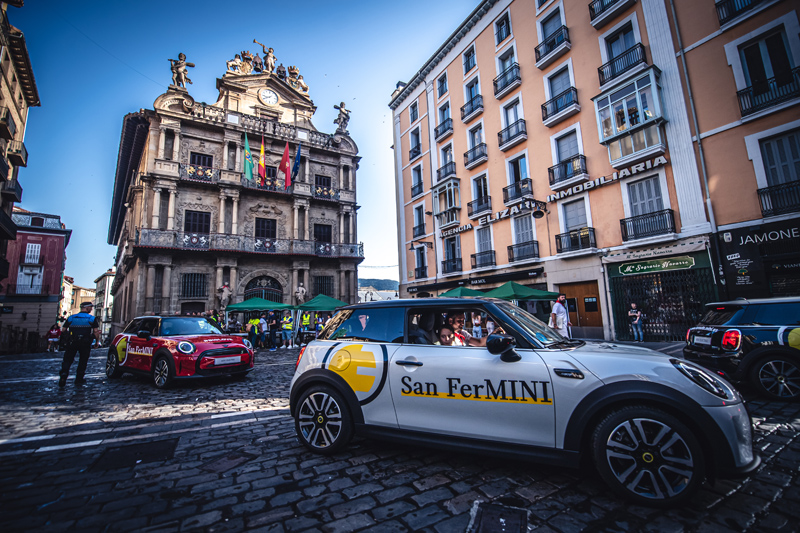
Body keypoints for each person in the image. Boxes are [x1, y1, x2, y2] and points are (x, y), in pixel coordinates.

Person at [58, 302, 101, 387]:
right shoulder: (91, 318)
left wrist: (67, 338)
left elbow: (63, 330)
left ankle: (64, 373)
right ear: (86, 308)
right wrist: (96, 342)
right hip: (85, 342)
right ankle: (79, 378)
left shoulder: (71, 318)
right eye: (90, 307)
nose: (91, 309)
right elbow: (96, 332)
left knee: (67, 359)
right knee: (83, 360)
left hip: (72, 341)